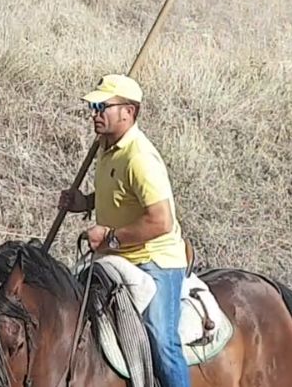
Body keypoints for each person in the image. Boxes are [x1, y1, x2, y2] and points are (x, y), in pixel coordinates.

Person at [57, 75, 190, 387]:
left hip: (154, 259)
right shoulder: (106, 147)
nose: (94, 113)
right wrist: (84, 202)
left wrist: (110, 237)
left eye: (102, 106)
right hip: (114, 257)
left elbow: (161, 221)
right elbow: (119, 195)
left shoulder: (140, 157)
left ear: (128, 112)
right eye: (93, 106)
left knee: (162, 339)